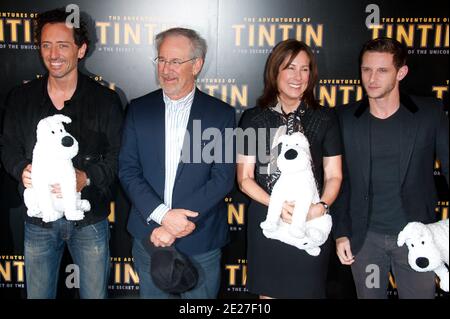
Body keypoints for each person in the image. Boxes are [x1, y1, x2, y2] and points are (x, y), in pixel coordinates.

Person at [1, 8, 123, 299]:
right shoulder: (21, 98)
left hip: (89, 219)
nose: (53, 54)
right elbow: (7, 146)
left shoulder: (106, 101)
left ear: (81, 50)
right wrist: (21, 169)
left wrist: (87, 178)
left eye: (63, 45)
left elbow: (119, 156)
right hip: (39, 221)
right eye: (46, 45)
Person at [119, 27, 236, 299]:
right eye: (161, 60)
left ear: (197, 65)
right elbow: (128, 170)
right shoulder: (139, 109)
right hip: (150, 237)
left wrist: (176, 223)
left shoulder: (220, 115)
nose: (166, 69)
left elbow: (222, 178)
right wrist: (162, 216)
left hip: (200, 238)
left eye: (175, 61)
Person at [333, 37, 449, 299]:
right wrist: (341, 233)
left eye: (382, 70)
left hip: (417, 238)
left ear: (401, 72)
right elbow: (340, 181)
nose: (372, 78)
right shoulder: (344, 118)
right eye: (366, 69)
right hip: (366, 241)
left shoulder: (429, 113)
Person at [237, 39, 343, 298]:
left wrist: (320, 207)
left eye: (305, 69)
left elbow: (334, 175)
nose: (298, 77)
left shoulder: (325, 118)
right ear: (275, 72)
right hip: (268, 220)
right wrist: (277, 205)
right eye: (290, 68)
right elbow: (244, 178)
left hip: (309, 222)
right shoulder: (251, 118)